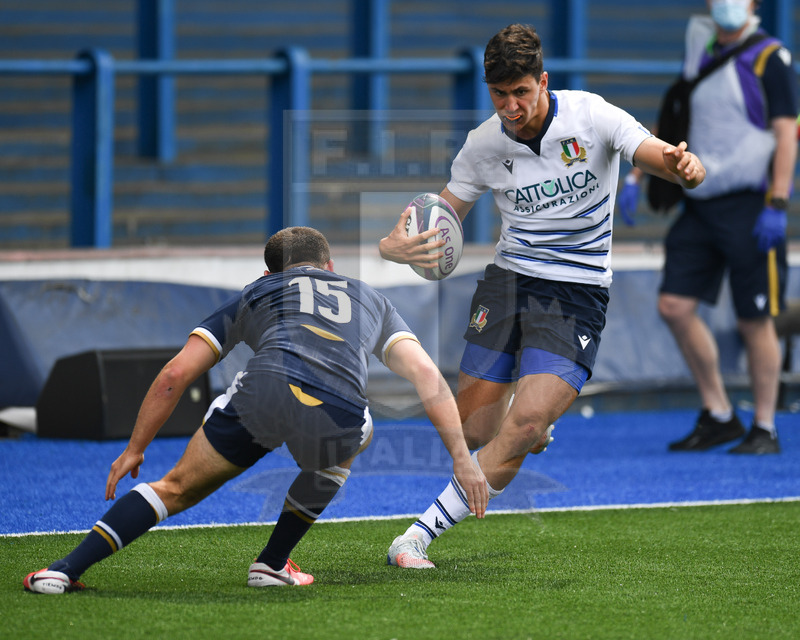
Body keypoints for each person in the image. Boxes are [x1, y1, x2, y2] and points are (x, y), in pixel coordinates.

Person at [378, 23, 707, 568]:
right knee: (475, 431)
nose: (510, 106)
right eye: (499, 95)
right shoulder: (483, 145)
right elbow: (434, 224)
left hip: (576, 293)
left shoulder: (593, 117)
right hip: (509, 283)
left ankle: (417, 534)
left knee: (521, 428)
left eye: (521, 92)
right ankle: (536, 406)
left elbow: (657, 157)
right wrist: (394, 248)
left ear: (544, 82)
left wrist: (683, 169)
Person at [23, 226, 487, 594]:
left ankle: (62, 571)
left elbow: (174, 376)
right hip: (338, 409)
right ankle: (270, 563)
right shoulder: (371, 298)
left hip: (262, 395)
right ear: (329, 265)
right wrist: (462, 460)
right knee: (360, 429)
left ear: (270, 273)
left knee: (174, 489)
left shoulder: (254, 293)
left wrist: (134, 448)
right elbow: (429, 378)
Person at [618, 0, 797, 454]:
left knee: (755, 319)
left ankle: (764, 427)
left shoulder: (769, 57)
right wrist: (639, 172)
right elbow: (678, 115)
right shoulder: (700, 47)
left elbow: (786, 132)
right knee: (674, 305)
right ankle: (719, 414)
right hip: (700, 202)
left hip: (750, 204)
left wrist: (778, 201)